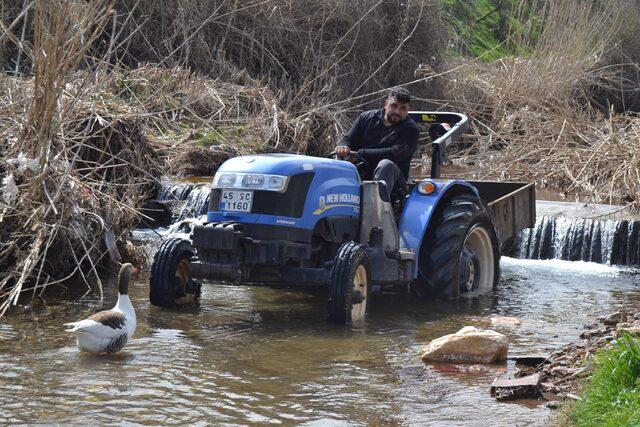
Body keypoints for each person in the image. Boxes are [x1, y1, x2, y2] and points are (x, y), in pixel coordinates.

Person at [335, 86, 420, 198]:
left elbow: (394, 153)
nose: (397, 111)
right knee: (334, 162)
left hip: (394, 181)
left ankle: (375, 211)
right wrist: (343, 146)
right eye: (393, 106)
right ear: (386, 104)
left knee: (386, 164)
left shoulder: (411, 130)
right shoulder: (366, 118)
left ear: (408, 109)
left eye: (402, 108)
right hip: (361, 171)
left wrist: (361, 154)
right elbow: (348, 139)